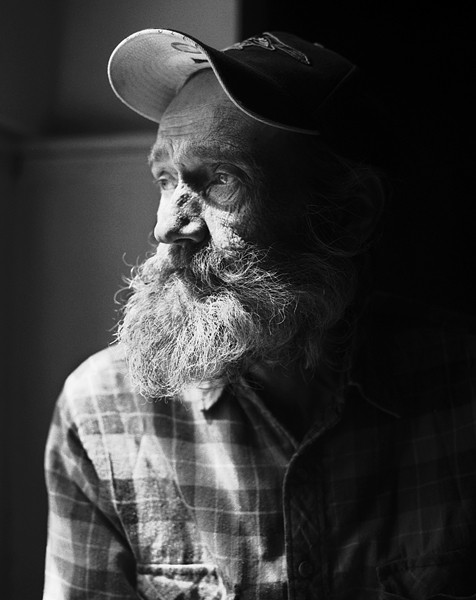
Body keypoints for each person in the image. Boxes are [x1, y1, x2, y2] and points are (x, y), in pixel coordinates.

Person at [43, 29, 476, 600]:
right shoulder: (102, 411)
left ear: (351, 214)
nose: (167, 226)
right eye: (166, 179)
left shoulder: (461, 389)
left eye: (222, 179)